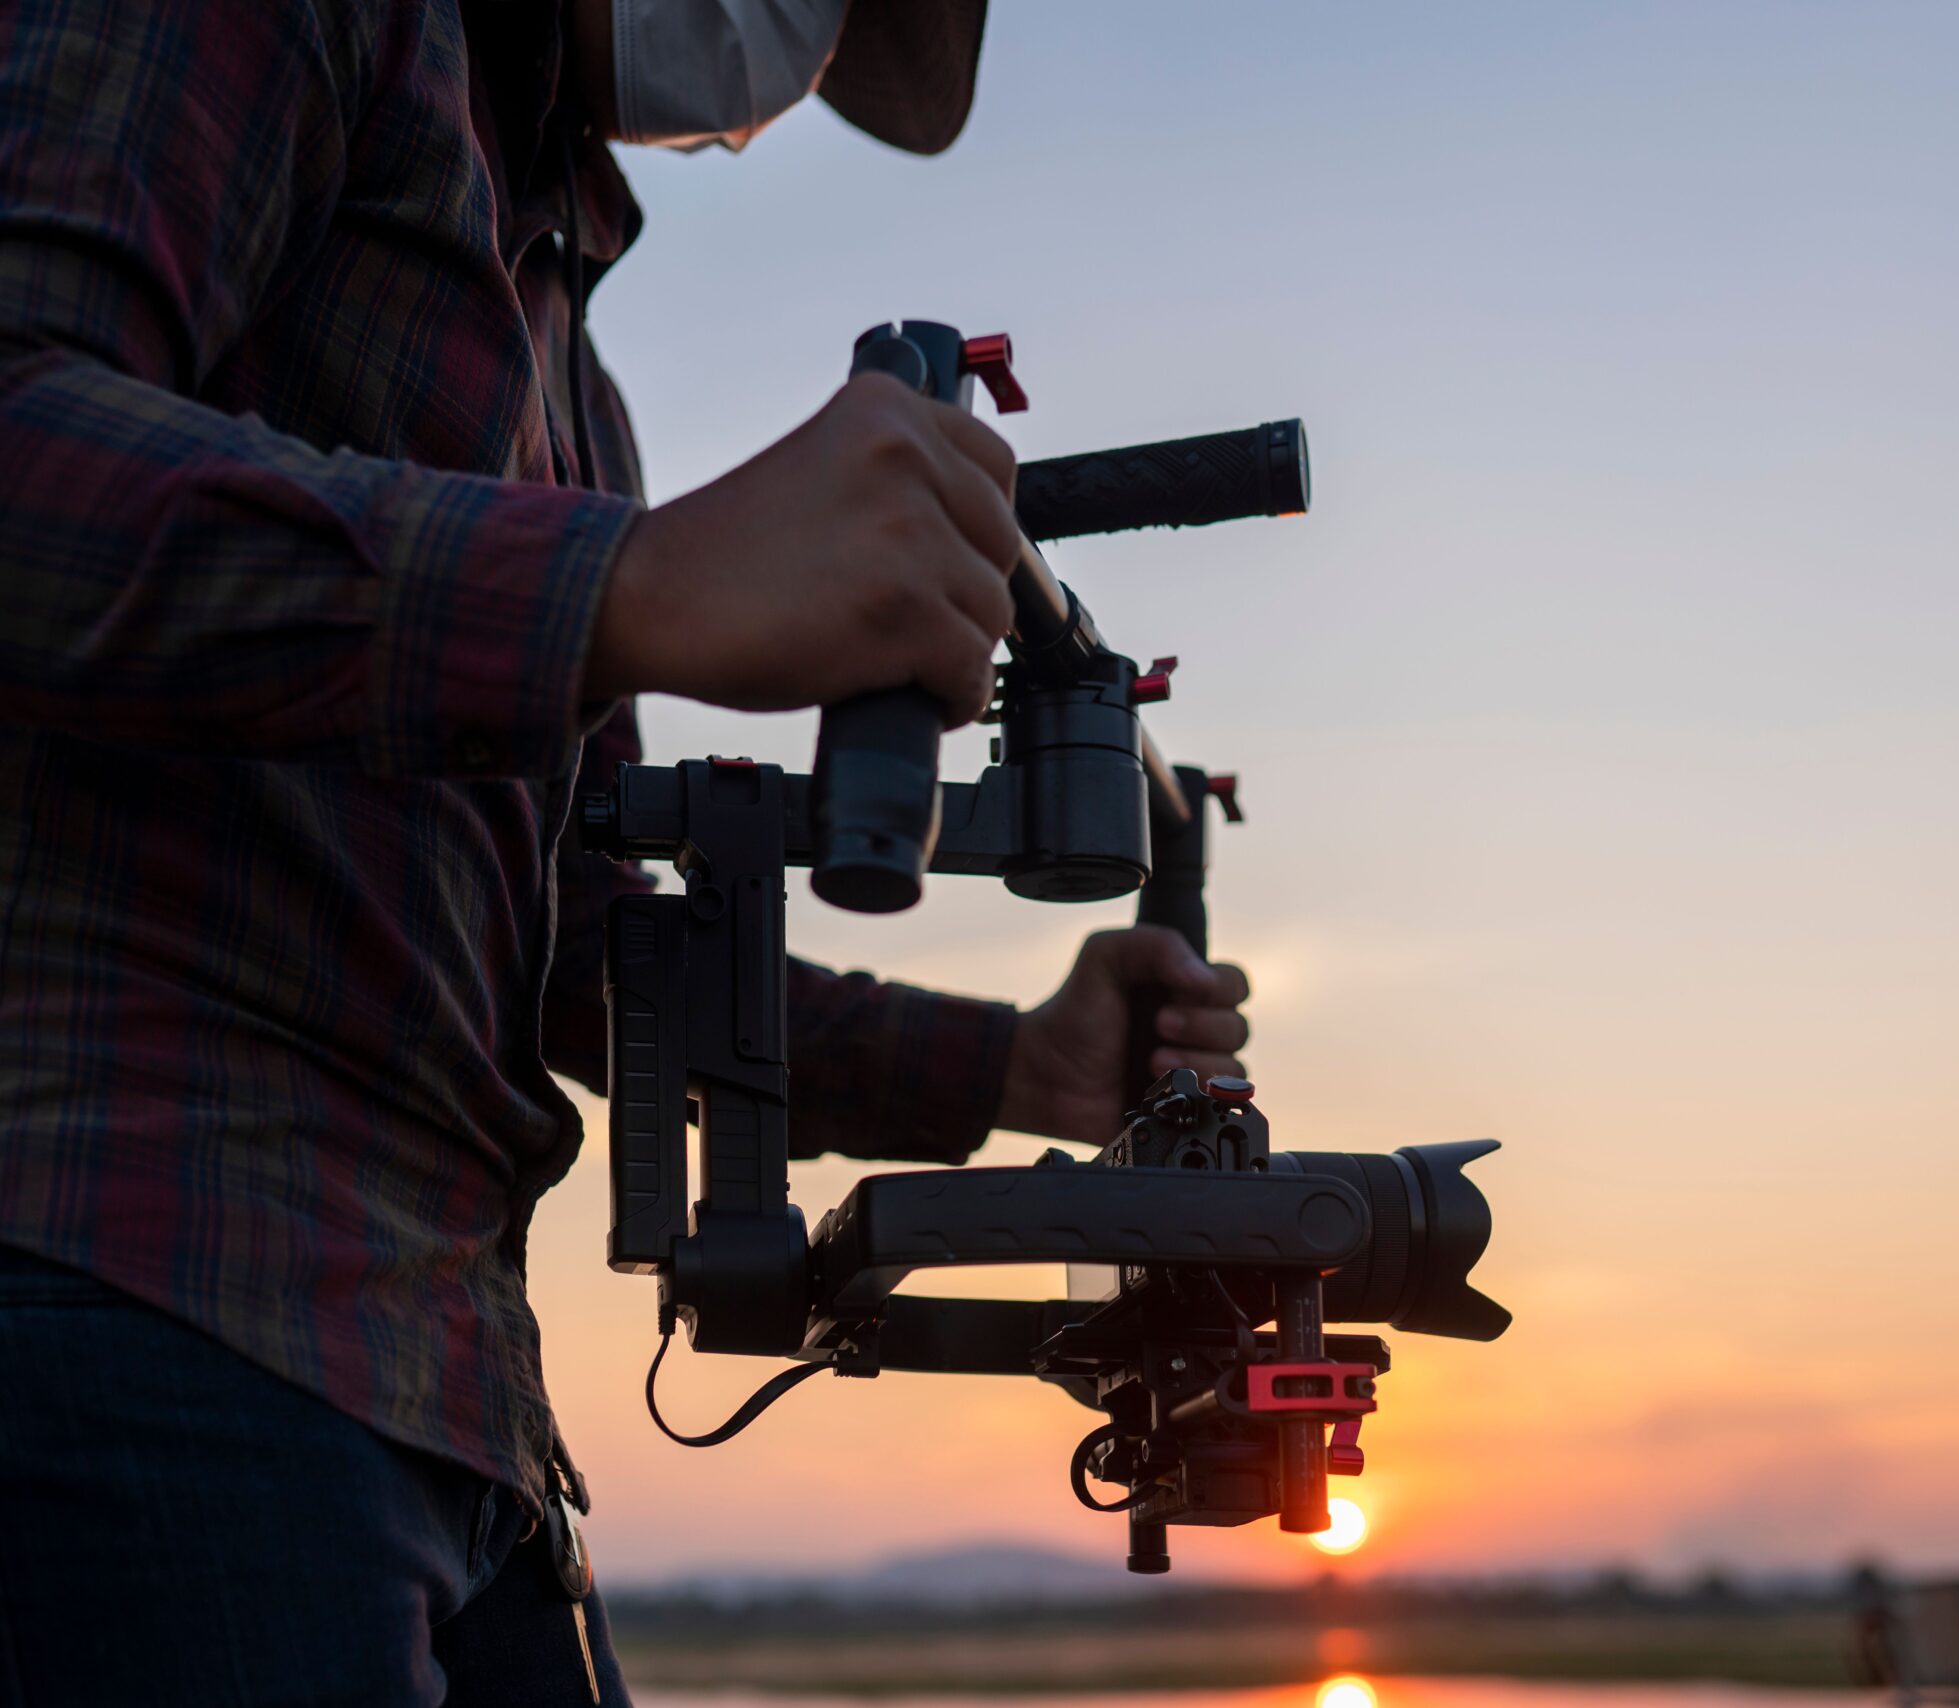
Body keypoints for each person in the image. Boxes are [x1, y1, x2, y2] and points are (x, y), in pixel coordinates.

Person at [0, 0, 1249, 1700]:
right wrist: (625, 586)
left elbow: (586, 950)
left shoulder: (574, 397)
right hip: (131, 1280)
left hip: (450, 1398)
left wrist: (1027, 1062)